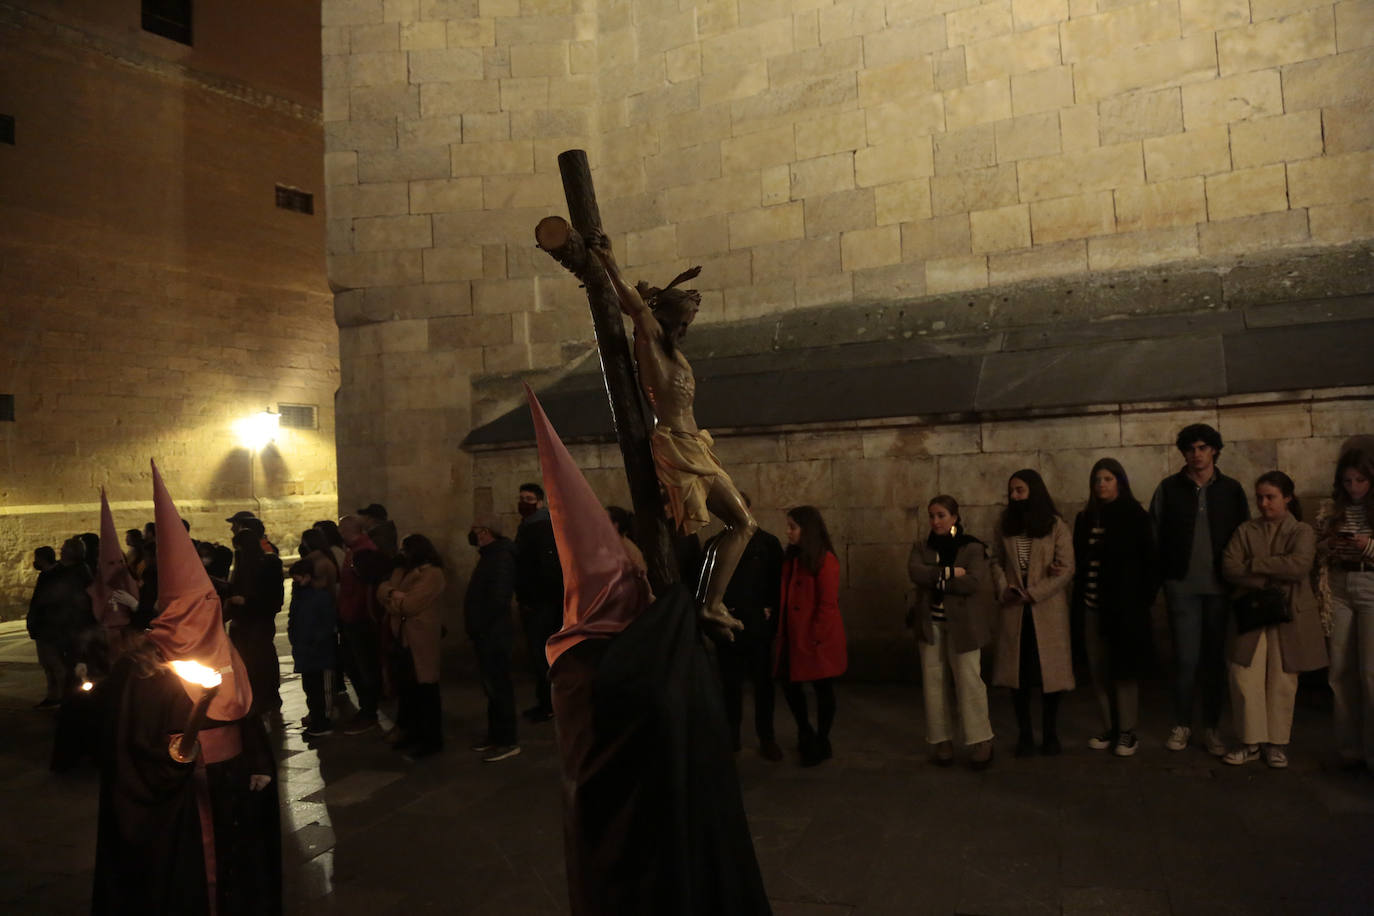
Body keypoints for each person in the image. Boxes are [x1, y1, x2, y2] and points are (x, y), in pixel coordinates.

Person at [527, 388, 770, 915]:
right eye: (628, 581)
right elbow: (636, 694)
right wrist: (682, 611)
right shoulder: (583, 659)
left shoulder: (621, 644)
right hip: (625, 840)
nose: (639, 588)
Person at [92, 460, 280, 916]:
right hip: (178, 796)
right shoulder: (144, 667)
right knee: (193, 879)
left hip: (232, 779)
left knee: (237, 868)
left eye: (211, 604)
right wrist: (171, 761)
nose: (211, 613)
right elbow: (127, 745)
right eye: (200, 607)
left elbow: (246, 712)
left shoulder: (226, 651)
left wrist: (256, 760)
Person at [588, 231, 756, 641]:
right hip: (677, 445)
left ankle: (708, 602)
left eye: (688, 324)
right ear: (662, 318)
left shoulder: (670, 348)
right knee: (742, 524)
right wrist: (609, 260)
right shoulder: (649, 339)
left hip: (694, 444)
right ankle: (709, 604)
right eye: (679, 322)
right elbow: (633, 303)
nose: (683, 329)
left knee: (742, 524)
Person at [1150, 423, 1251, 755]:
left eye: (1203, 448)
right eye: (1191, 448)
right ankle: (1182, 723)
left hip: (1221, 588)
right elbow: (1154, 535)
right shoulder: (1168, 488)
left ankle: (1211, 727)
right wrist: (1162, 577)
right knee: (1185, 659)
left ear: (1215, 450)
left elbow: (1244, 536)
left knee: (1214, 660)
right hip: (1181, 586)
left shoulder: (1231, 489)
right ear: (1183, 452)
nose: (1197, 454)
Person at [1220, 471, 1327, 767]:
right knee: (1244, 675)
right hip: (1251, 612)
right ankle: (1250, 741)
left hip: (1289, 614)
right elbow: (1229, 567)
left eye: (1271, 497)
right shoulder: (1245, 530)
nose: (1264, 504)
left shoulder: (1302, 531)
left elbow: (1299, 566)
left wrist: (1253, 566)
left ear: (1287, 497)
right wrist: (1271, 575)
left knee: (1282, 678)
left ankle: (1277, 743)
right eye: (1259, 497)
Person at [1072, 459, 1159, 757]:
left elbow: (1151, 564)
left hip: (1123, 609)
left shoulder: (1135, 516)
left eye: (1108, 479)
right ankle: (1109, 726)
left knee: (1124, 670)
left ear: (1119, 481)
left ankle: (1127, 731)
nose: (1102, 485)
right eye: (1097, 479)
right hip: (1091, 606)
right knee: (1098, 670)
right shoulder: (1085, 519)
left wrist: (1139, 602)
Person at [991, 469, 1075, 757]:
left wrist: (1035, 593)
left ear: (1033, 491)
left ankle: (1050, 733)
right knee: (1020, 675)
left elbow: (1066, 568)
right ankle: (1025, 734)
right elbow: (996, 561)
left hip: (1046, 608)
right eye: (1012, 490)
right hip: (1015, 608)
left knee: (1050, 673)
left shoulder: (1055, 526)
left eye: (1020, 490)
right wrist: (1005, 588)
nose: (1014, 496)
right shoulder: (1004, 524)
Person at [908, 495, 995, 769]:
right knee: (933, 681)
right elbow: (915, 572)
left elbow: (972, 582)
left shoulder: (972, 547)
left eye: (941, 515)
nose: (935, 521)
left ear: (955, 517)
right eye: (932, 515)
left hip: (963, 625)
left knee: (969, 681)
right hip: (930, 622)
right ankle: (942, 739)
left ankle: (981, 740)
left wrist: (937, 578)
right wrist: (949, 572)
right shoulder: (921, 546)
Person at [706, 494, 785, 761]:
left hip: (756, 625)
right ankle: (732, 736)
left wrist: (770, 618)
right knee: (730, 683)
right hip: (726, 622)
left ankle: (767, 737)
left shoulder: (767, 544)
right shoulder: (715, 545)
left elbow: (777, 584)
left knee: (763, 684)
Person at [775, 505, 847, 767]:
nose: (788, 532)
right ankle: (805, 730)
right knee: (789, 684)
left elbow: (826, 604)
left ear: (808, 530)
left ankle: (822, 738)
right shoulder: (792, 558)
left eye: (793, 527)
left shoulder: (824, 560)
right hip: (793, 635)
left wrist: (815, 637)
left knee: (822, 688)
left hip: (815, 638)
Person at [1316, 449, 1374, 771]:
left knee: (1370, 674)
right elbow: (1317, 547)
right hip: (1339, 586)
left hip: (1371, 585)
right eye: (1348, 481)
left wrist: (1368, 545)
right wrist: (1330, 545)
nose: (1354, 487)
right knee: (1339, 670)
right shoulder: (1331, 508)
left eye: (1360, 480)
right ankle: (1349, 750)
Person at [378, 534, 447, 760]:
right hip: (402, 639)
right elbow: (382, 590)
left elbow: (410, 605)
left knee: (425, 690)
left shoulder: (433, 575)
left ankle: (431, 739)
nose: (401, 554)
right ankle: (412, 732)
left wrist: (394, 600)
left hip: (420, 639)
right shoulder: (403, 571)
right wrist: (392, 594)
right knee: (408, 690)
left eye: (405, 550)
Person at [464, 519, 520, 762]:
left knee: (500, 687)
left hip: (493, 634)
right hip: (487, 632)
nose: (473, 534)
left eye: (475, 530)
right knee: (492, 687)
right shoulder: (490, 555)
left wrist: (481, 625)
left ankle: (507, 740)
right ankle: (495, 735)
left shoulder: (500, 557)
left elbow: (498, 598)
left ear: (486, 532)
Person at [336, 515, 391, 734]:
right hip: (351, 617)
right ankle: (367, 709)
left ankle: (369, 711)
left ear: (347, 530)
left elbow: (366, 587)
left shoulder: (363, 552)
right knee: (353, 664)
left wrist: (357, 614)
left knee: (364, 666)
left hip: (359, 619)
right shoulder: (354, 550)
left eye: (341, 528)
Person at [515, 482, 563, 723]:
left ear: (540, 502)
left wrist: (533, 600)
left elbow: (543, 569)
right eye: (522, 497)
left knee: (542, 656)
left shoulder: (540, 527)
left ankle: (549, 704)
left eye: (529, 498)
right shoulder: (531, 526)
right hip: (541, 602)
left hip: (541, 604)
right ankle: (546, 702)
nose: (524, 502)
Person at [226, 529, 283, 715]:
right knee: (250, 659)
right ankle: (258, 696)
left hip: (258, 619)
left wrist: (246, 601)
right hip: (244, 620)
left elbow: (272, 597)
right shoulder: (247, 564)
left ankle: (266, 697)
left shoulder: (268, 564)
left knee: (261, 659)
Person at [288, 558, 338, 737]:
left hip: (319, 652)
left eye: (298, 577)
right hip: (305, 652)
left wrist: (314, 642)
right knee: (309, 688)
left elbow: (326, 623)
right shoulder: (299, 597)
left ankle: (323, 721)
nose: (296, 581)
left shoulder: (320, 597)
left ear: (308, 577)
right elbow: (292, 622)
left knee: (321, 690)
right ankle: (316, 717)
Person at [27, 546, 66, 708]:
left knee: (56, 664)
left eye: (37, 558)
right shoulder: (45, 575)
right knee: (46, 663)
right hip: (42, 627)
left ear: (43, 559)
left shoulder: (58, 575)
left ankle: (64, 696)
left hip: (52, 627)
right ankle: (52, 695)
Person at [606, 505, 647, 573]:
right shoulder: (607, 544)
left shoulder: (628, 549)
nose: (600, 522)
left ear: (616, 525)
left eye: (604, 519)